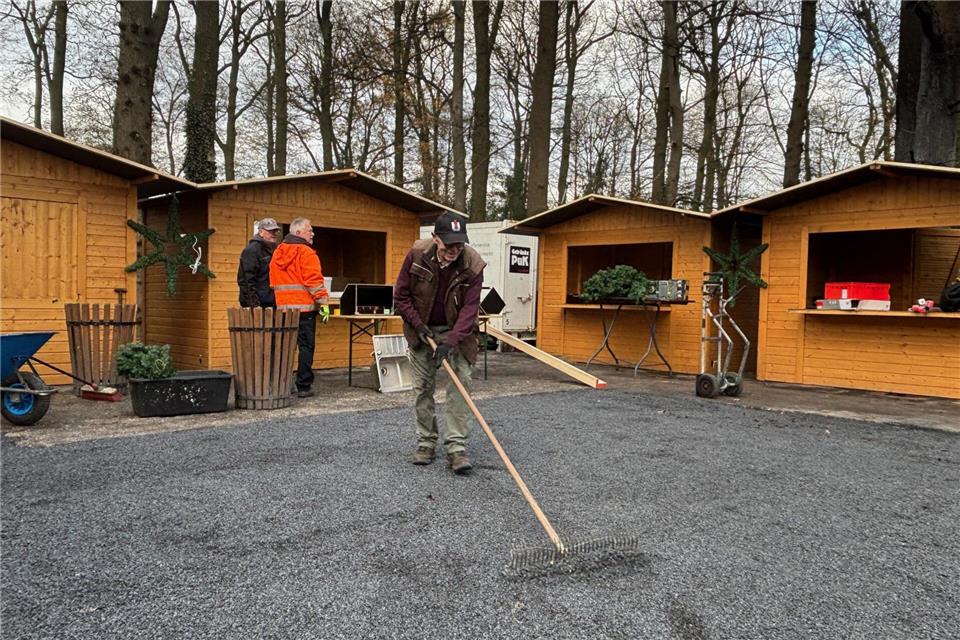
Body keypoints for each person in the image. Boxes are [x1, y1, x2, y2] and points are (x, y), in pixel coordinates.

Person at [394, 210, 486, 474]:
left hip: (459, 331)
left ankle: (456, 449)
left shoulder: (473, 264)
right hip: (421, 327)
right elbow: (401, 297)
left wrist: (451, 341)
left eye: (459, 245)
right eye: (448, 245)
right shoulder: (416, 256)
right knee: (423, 388)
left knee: (460, 387)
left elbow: (470, 310)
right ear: (435, 238)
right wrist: (419, 326)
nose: (453, 251)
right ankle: (426, 442)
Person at [269, 218, 330, 398]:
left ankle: (281, 386)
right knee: (305, 348)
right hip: (304, 311)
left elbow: (273, 282)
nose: (313, 233)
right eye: (309, 230)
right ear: (298, 233)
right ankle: (303, 386)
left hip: (283, 311)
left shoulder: (278, 252)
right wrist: (324, 303)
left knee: (285, 349)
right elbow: (314, 281)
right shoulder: (307, 253)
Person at [237, 218, 280, 308]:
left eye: (275, 231)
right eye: (270, 231)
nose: (274, 233)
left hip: (272, 303)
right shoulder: (252, 250)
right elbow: (246, 280)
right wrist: (254, 304)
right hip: (257, 305)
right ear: (260, 232)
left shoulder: (277, 250)